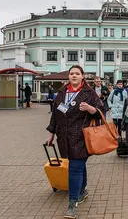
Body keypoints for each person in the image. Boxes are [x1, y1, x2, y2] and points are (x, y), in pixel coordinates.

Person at [45, 65, 104, 219]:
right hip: (64, 136)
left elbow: (101, 111)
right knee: (78, 164)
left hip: (81, 137)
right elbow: (55, 115)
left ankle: (72, 203)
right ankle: (83, 190)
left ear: (82, 76)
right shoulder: (62, 92)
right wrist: (51, 133)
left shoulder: (89, 93)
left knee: (75, 168)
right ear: (69, 76)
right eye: (72, 73)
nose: (74, 76)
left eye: (77, 73)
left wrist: (91, 109)